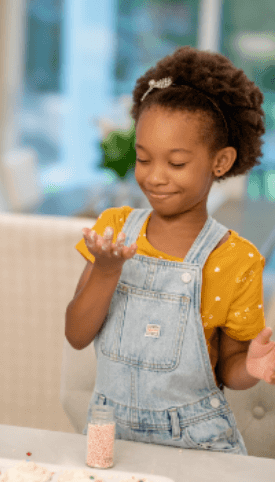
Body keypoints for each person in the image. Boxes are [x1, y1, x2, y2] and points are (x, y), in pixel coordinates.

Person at [65, 46, 275, 454]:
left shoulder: (238, 260)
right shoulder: (114, 230)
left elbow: (230, 366)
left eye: (176, 163)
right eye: (144, 159)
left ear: (220, 162)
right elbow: (76, 334)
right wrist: (106, 271)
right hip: (111, 438)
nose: (155, 177)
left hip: (201, 446)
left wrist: (252, 367)